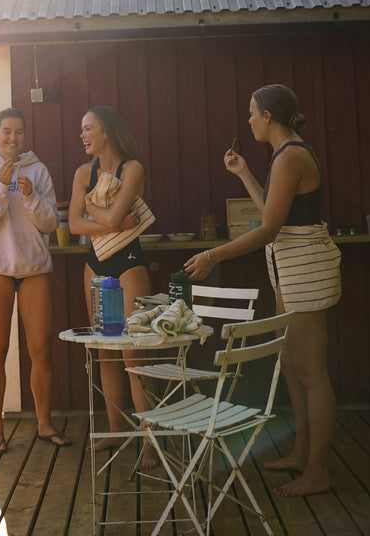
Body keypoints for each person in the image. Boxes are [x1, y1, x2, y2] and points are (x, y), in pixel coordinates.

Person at [184, 84, 341, 498]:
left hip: (304, 269)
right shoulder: (283, 154)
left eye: (252, 113)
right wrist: (243, 174)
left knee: (313, 373)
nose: (249, 120)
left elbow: (270, 228)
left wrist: (214, 255)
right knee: (290, 366)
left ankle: (318, 472)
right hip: (288, 269)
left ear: (268, 115)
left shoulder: (291, 156)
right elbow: (273, 211)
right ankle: (302, 454)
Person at [0, 108, 71, 454]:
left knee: (40, 350)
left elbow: (49, 223)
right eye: (7, 132)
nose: (14, 138)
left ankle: (43, 424)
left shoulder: (37, 170)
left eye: (20, 132)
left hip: (34, 269)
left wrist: (30, 195)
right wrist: (0, 186)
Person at [68, 105, 156, 467]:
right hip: (95, 265)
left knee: (133, 353)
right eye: (82, 129)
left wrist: (100, 216)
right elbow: (74, 223)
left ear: (107, 131)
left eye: (88, 128)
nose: (83, 135)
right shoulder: (82, 173)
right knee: (105, 351)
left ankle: (150, 437)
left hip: (129, 265)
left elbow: (109, 216)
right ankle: (115, 430)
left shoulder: (131, 168)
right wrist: (112, 224)